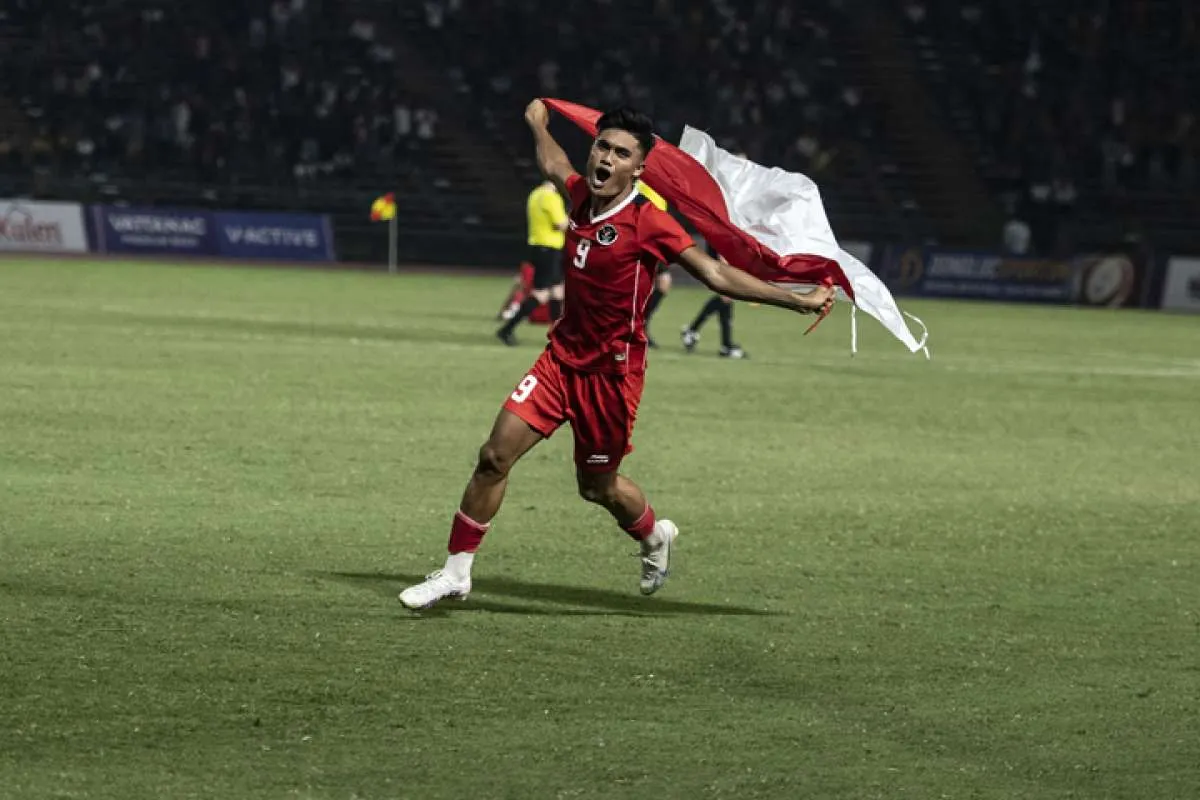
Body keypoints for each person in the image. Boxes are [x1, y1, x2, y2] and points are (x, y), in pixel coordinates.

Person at [399, 100, 834, 610]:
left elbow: (714, 273)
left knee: (598, 488)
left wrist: (796, 299)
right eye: (602, 146)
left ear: (639, 169)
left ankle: (653, 536)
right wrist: (537, 123)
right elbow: (553, 163)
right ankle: (456, 573)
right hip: (559, 362)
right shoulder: (580, 197)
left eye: (621, 153)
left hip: (611, 378)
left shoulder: (649, 222)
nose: (606, 158)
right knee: (494, 456)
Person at [496, 177, 569, 344]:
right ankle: (507, 329)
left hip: (538, 247)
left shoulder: (535, 195)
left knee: (557, 291)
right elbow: (560, 224)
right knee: (541, 293)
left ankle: (559, 337)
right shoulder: (551, 197)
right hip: (549, 249)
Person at [680, 246, 748, 358]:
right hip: (717, 261)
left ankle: (694, 331)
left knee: (726, 299)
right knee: (726, 297)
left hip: (719, 260)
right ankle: (725, 345)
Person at [636, 182, 671, 347]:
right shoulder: (640, 182)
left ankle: (642, 324)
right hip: (642, 237)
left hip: (657, 238)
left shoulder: (661, 184)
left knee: (664, 284)